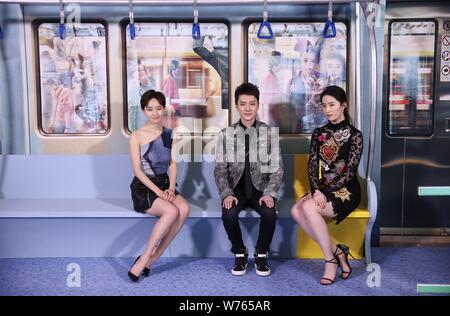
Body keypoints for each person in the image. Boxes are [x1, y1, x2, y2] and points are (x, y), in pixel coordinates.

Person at [290, 85, 363, 285]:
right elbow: (312, 164)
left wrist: (321, 192)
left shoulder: (354, 135)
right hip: (323, 188)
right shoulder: (319, 133)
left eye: (332, 105)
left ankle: (330, 261)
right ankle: (339, 252)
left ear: (343, 105)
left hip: (347, 191)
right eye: (324, 106)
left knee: (306, 208)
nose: (328, 110)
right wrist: (315, 190)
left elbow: (349, 172)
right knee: (296, 211)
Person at [214, 83, 284, 277]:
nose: (247, 108)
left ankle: (262, 253)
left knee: (270, 213)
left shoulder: (269, 133)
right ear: (236, 105)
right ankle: (239, 252)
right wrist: (226, 193)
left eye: (251, 104)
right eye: (242, 103)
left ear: (257, 105)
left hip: (260, 188)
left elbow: (277, 168)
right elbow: (220, 170)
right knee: (228, 214)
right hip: (236, 188)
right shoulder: (225, 135)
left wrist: (269, 193)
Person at [127, 90, 190, 282]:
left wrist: (171, 188)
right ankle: (144, 258)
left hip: (164, 185)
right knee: (171, 212)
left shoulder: (170, 134)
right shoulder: (136, 136)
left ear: (164, 109)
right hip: (145, 188)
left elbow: (172, 164)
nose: (155, 113)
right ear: (144, 111)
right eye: (150, 109)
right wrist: (159, 193)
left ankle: (153, 258)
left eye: (159, 108)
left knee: (184, 208)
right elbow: (137, 170)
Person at [288, 40, 322, 133]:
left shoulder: (321, 79)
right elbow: (289, 107)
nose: (308, 66)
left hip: (318, 125)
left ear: (316, 63)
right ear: (300, 59)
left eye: (312, 61)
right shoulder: (293, 81)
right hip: (298, 127)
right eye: (305, 60)